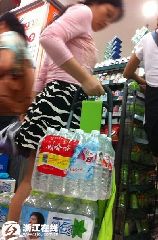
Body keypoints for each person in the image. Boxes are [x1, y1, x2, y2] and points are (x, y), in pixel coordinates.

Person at [7, 0, 124, 225]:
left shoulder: (74, 31)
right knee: (41, 178)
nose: (105, 21)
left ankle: (19, 232)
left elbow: (43, 72)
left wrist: (30, 106)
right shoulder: (81, 12)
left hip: (58, 101)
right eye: (107, 13)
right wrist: (85, 78)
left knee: (41, 178)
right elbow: (48, 37)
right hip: (61, 101)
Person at [123, 28, 158, 164]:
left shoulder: (147, 39)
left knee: (155, 144)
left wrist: (145, 82)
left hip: (154, 96)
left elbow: (127, 72)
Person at [0, 12, 34, 117]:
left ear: (3, 24)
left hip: (5, 103)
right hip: (15, 107)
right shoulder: (23, 44)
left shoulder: (8, 36)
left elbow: (4, 64)